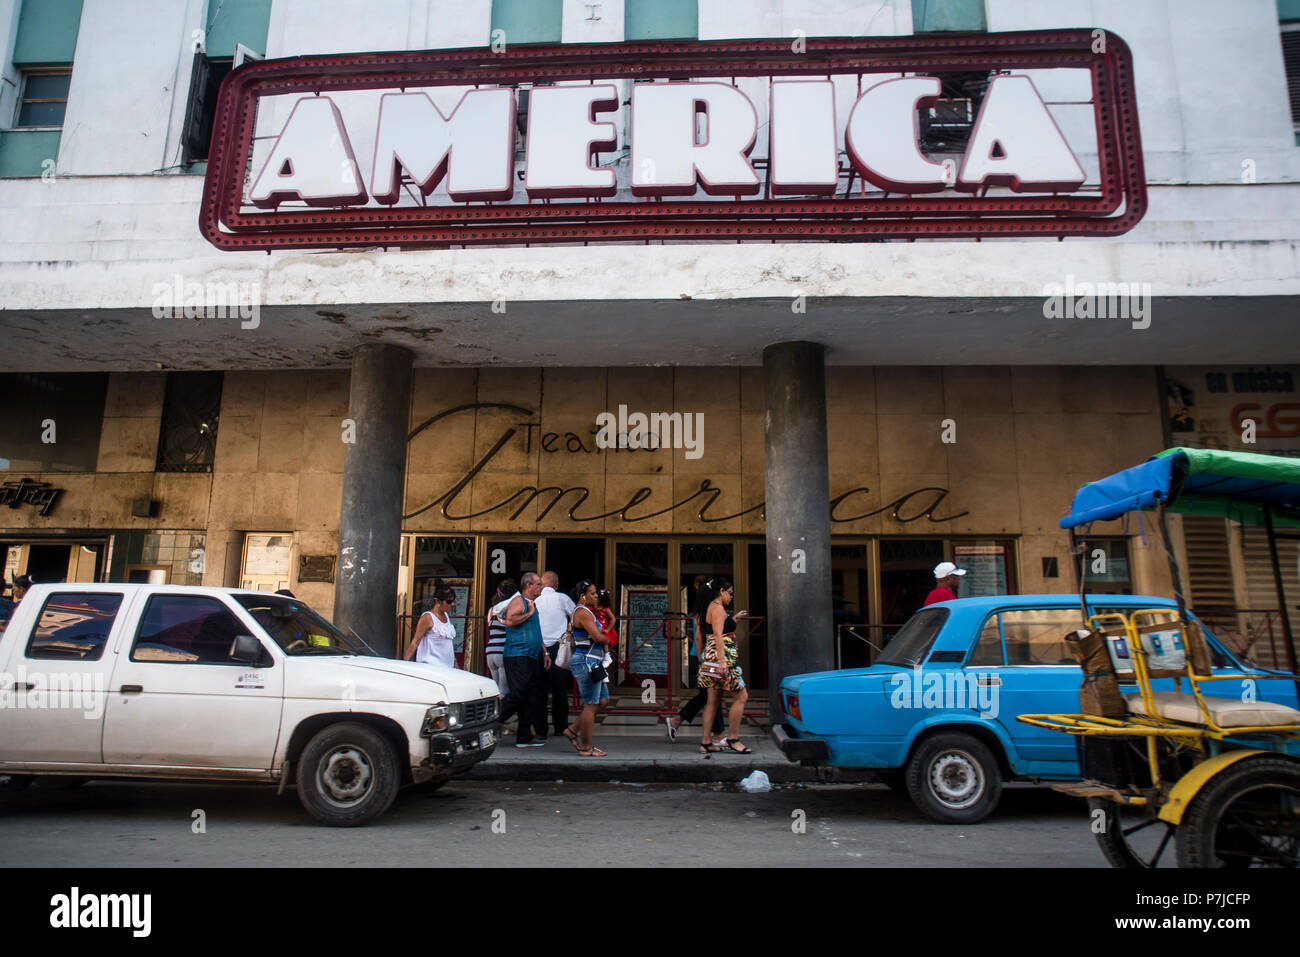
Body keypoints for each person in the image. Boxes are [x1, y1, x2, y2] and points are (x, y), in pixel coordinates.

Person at [665, 575, 727, 744]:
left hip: (701, 656)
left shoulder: (702, 610)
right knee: (712, 695)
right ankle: (717, 735)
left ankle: (676, 721)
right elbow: (701, 638)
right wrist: (703, 660)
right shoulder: (708, 610)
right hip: (705, 657)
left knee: (707, 696)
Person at [696, 577, 753, 755]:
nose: (731, 596)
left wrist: (702, 658)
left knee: (712, 701)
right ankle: (733, 739)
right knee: (741, 696)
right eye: (730, 593)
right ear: (722, 591)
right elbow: (719, 636)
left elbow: (702, 635)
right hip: (722, 658)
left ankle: (706, 742)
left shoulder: (706, 608)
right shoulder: (718, 609)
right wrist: (722, 661)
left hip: (710, 655)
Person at [497, 572, 549, 747]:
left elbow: (536, 629)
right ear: (529, 586)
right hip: (517, 655)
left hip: (531, 655)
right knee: (518, 694)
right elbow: (510, 621)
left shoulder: (531, 604)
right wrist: (529, 613)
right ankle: (491, 721)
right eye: (539, 584)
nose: (541, 587)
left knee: (530, 695)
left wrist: (545, 652)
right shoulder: (519, 601)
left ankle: (524, 737)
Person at [559, 580, 610, 756]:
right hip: (586, 662)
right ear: (583, 596)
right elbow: (597, 637)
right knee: (590, 704)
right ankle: (586, 747)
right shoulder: (583, 612)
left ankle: (572, 730)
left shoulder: (584, 612)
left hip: (593, 662)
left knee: (602, 701)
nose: (597, 596)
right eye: (593, 593)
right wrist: (606, 640)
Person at [534, 570, 576, 737]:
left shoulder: (535, 601)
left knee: (540, 690)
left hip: (539, 647)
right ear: (556, 585)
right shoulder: (562, 598)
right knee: (559, 690)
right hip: (559, 647)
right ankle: (560, 727)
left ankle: (540, 730)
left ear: (541, 585)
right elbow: (575, 616)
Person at [405, 582, 457, 668]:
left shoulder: (446, 616)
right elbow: (415, 642)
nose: (452, 604)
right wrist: (405, 664)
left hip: (447, 668)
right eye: (449, 601)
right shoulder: (428, 617)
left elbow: (448, 644)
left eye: (453, 601)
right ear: (438, 601)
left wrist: (455, 663)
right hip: (431, 667)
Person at [485, 578, 516, 695]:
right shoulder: (510, 609)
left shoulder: (491, 610)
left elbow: (489, 625)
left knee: (495, 691)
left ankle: (494, 712)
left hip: (490, 651)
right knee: (503, 690)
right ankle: (501, 713)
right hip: (502, 649)